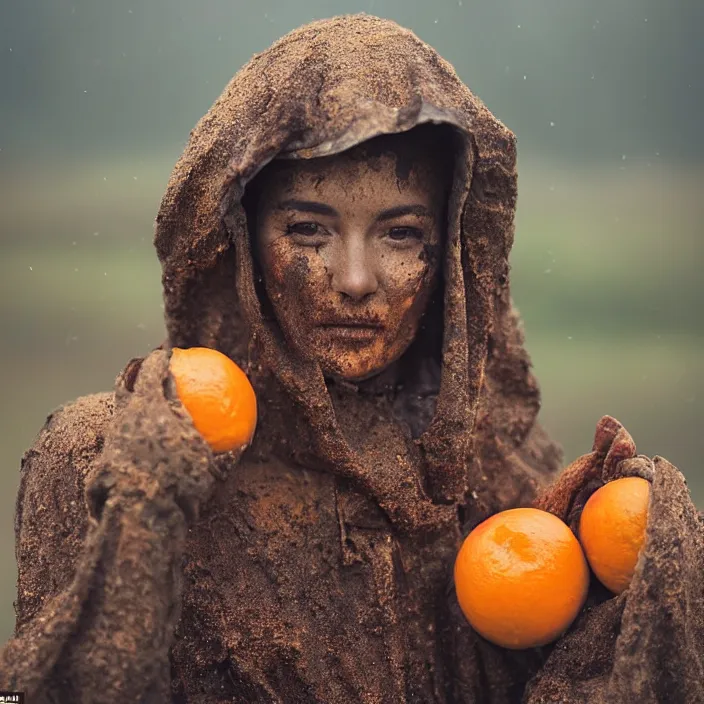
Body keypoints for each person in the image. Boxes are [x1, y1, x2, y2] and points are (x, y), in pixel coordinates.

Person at [1, 13, 702, 704]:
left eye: (400, 233)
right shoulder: (105, 457)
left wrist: (620, 603)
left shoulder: (490, 473)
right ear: (238, 242)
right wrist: (141, 517)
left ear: (452, 256)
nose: (357, 278)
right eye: (308, 228)